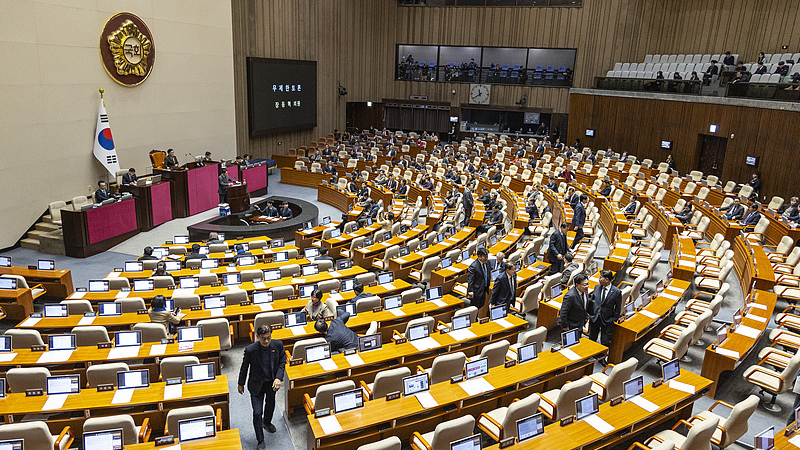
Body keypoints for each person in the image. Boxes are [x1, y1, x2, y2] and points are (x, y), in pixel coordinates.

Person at [237, 325, 285, 448]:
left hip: (271, 384)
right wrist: (240, 383)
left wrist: (278, 377)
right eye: (263, 338)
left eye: (268, 338)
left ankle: (267, 422)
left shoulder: (277, 345)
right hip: (256, 385)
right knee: (257, 412)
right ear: (257, 337)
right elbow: (244, 367)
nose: (266, 341)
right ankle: (260, 439)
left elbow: (282, 362)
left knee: (270, 405)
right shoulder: (250, 350)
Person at [589, 270, 622, 357]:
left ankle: (602, 358)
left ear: (607, 279)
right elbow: (592, 301)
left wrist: (614, 319)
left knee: (605, 341)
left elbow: (618, 308)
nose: (599, 279)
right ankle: (589, 354)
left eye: (600, 277)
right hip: (595, 318)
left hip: (607, 320)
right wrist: (590, 313)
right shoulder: (596, 287)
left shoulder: (616, 292)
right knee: (592, 338)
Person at [467, 248, 491, 318]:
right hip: (476, 291)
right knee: (474, 308)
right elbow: (470, 280)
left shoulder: (487, 263)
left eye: (487, 256)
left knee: (481, 304)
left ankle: (476, 318)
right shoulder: (473, 266)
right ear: (479, 256)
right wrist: (470, 291)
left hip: (484, 288)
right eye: (484, 257)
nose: (486, 258)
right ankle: (473, 319)